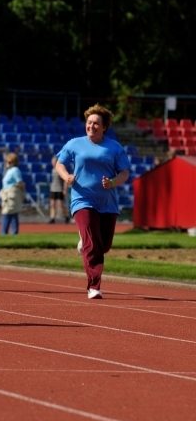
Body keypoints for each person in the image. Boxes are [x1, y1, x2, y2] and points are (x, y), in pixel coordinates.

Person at [55, 104, 131, 299]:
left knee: (103, 245)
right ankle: (94, 286)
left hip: (107, 202)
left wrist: (113, 182)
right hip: (82, 199)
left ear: (104, 126)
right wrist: (66, 177)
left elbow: (124, 173)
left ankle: (85, 241)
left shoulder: (114, 147)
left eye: (96, 123)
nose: (91, 126)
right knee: (93, 246)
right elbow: (60, 163)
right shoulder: (74, 144)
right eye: (89, 123)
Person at [0, 152, 25, 235]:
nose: (7, 163)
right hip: (7, 194)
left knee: (9, 213)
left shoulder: (15, 170)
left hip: (12, 194)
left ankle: (5, 232)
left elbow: (20, 183)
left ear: (14, 162)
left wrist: (22, 193)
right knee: (11, 214)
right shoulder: (9, 171)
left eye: (9, 162)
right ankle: (11, 232)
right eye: (6, 162)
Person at [48, 155, 70, 224]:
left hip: (59, 188)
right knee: (52, 204)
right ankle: (52, 218)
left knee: (60, 204)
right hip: (53, 188)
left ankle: (67, 216)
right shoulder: (53, 170)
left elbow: (65, 180)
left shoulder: (60, 169)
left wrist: (64, 189)